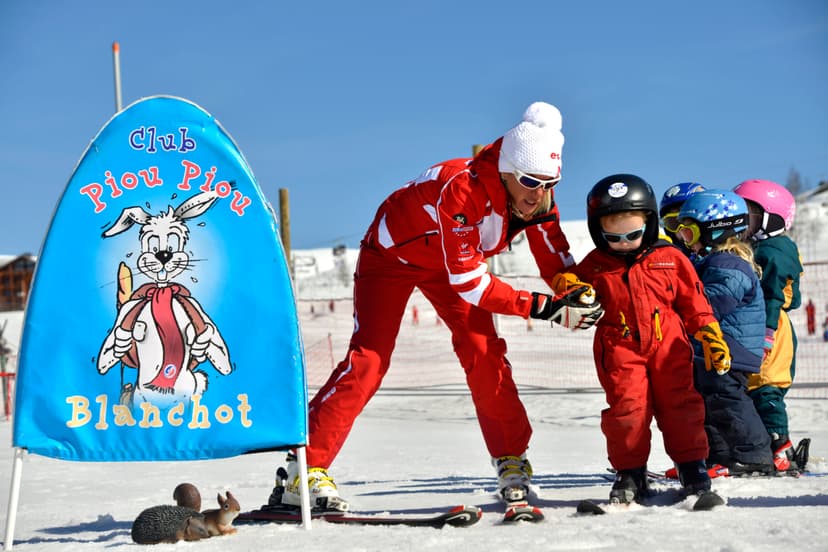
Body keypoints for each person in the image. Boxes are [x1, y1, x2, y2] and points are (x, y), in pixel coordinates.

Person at [277, 102, 605, 511]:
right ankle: (303, 469)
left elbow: (554, 257)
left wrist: (572, 290)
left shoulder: (537, 199)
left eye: (550, 183)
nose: (538, 194)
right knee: (370, 360)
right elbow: (469, 282)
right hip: (390, 258)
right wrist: (544, 307)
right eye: (529, 181)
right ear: (506, 171)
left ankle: (511, 459)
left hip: (447, 264)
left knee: (484, 351)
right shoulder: (462, 188)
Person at [553, 174, 730, 504]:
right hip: (619, 348)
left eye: (632, 234)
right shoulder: (594, 265)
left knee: (682, 407)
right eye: (613, 236)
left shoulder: (670, 258)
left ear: (649, 224)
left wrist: (709, 333)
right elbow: (572, 289)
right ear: (597, 230)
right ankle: (630, 473)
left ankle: (692, 467)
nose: (623, 242)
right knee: (627, 411)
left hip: (670, 348)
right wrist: (568, 287)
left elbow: (694, 302)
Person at [674, 190, 774, 475]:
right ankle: (718, 456)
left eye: (689, 234)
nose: (685, 242)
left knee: (728, 400)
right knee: (709, 402)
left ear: (716, 232)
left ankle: (754, 455)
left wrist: (678, 306)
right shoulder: (712, 262)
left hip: (730, 348)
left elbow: (714, 301)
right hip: (713, 347)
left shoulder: (727, 265)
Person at [733, 179, 806, 472]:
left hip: (771, 328)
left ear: (770, 217)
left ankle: (780, 448)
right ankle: (759, 449)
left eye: (747, 214)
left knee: (765, 389)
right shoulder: (758, 247)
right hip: (758, 324)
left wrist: (766, 334)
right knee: (749, 392)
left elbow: (773, 295)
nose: (741, 221)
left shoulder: (774, 249)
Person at [658, 181, 706, 255]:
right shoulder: (670, 259)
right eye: (673, 223)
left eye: (690, 221)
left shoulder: (723, 255)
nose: (683, 230)